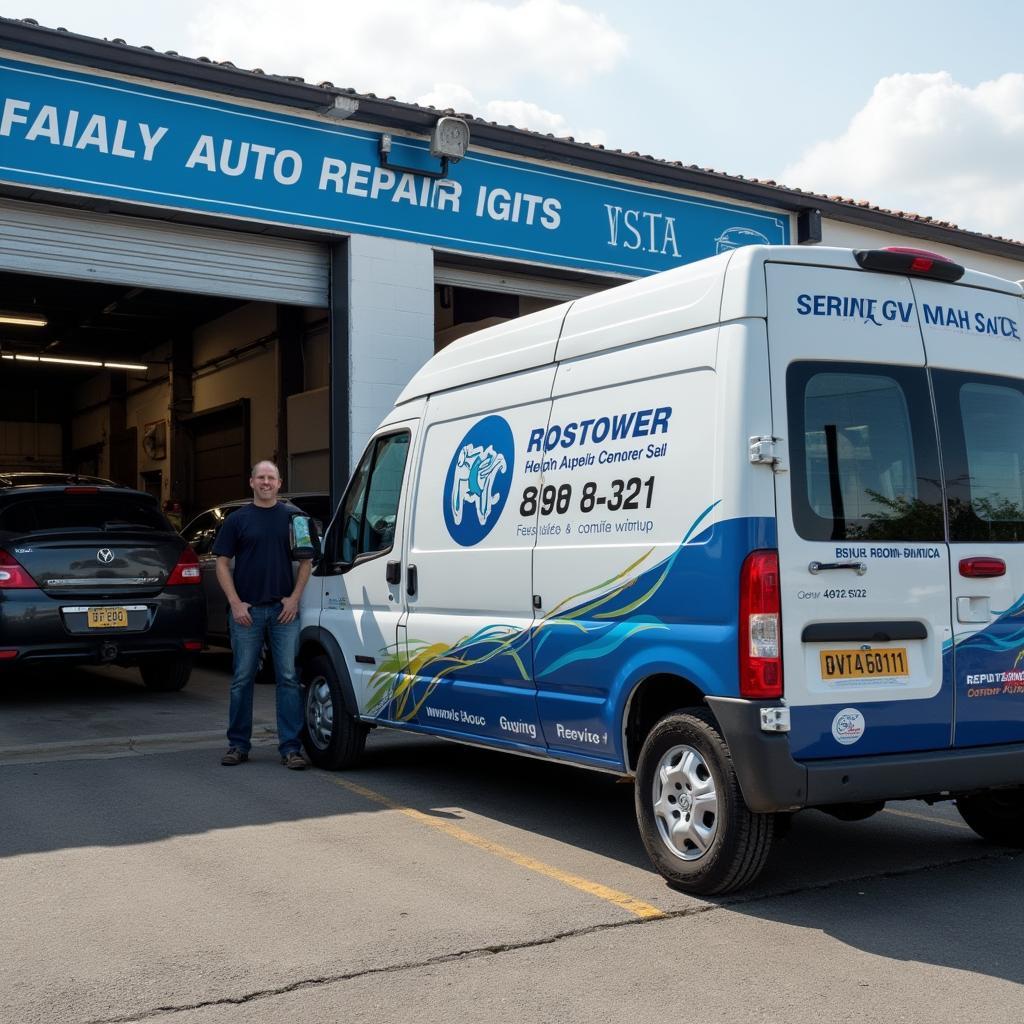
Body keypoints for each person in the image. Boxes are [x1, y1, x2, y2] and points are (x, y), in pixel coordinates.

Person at [214, 460, 312, 769]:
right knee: (242, 678)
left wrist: (294, 600)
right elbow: (221, 563)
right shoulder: (237, 520)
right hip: (247, 613)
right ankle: (238, 745)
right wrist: (236, 603)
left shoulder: (294, 519)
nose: (266, 482)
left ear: (280, 483)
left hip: (284, 612)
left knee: (287, 678)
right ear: (251, 482)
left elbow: (307, 562)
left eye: (271, 477)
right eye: (261, 477)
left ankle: (291, 749)